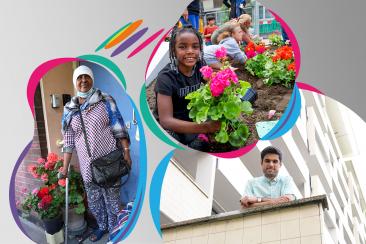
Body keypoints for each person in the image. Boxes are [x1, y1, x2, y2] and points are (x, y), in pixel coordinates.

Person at [60, 65, 132, 242]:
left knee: (112, 199)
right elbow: (68, 142)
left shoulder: (105, 100)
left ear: (92, 79)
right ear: (75, 82)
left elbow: (119, 128)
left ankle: (116, 230)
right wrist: (64, 167)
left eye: (87, 77)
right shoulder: (70, 109)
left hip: (108, 161)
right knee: (94, 200)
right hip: (86, 165)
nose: (83, 80)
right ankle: (102, 227)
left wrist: (126, 152)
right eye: (79, 78)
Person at [154, 26, 220, 151]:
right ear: (173, 50)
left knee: (203, 145)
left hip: (192, 118)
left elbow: (211, 86)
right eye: (182, 47)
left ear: (200, 49)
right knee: (172, 143)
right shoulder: (166, 77)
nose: (190, 51)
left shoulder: (200, 65)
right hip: (172, 126)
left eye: (195, 47)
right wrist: (206, 127)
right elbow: (166, 121)